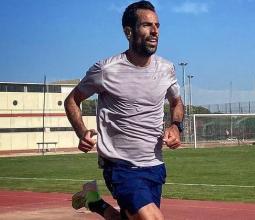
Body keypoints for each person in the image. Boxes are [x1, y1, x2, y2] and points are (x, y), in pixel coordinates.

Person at [64, 1, 184, 219]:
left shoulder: (166, 69)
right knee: (152, 218)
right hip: (120, 166)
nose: (155, 31)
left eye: (157, 25)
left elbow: (177, 102)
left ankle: (93, 201)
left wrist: (176, 127)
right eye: (147, 25)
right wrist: (82, 132)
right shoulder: (106, 69)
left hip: (155, 165)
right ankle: (96, 201)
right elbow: (72, 100)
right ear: (129, 31)